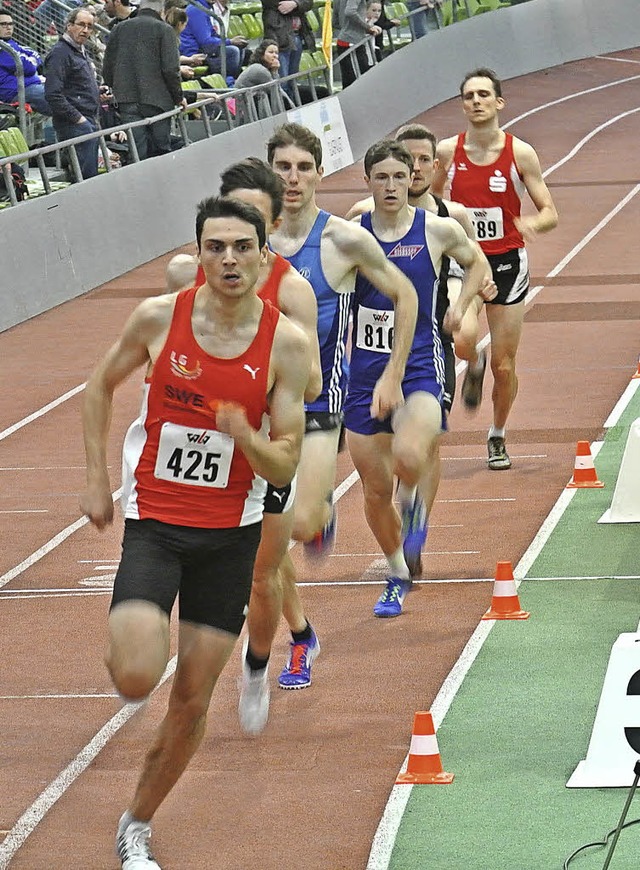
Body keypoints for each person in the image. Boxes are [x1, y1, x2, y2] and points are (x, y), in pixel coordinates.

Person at [80, 195, 310, 870]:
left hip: (229, 539)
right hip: (155, 526)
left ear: (265, 257)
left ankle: (136, 825)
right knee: (134, 676)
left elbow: (288, 458)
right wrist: (98, 479)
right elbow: (99, 387)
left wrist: (247, 437)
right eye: (217, 247)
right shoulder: (160, 318)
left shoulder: (285, 345)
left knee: (189, 702)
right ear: (199, 252)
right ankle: (133, 639)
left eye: (243, 247)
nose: (230, 259)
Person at [265, 122, 419, 687]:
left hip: (320, 405)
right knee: (267, 541)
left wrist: (395, 371)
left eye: (304, 167)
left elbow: (403, 293)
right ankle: (301, 637)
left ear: (319, 174)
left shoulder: (343, 241)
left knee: (301, 523)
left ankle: (320, 508)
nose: (293, 178)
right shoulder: (247, 242)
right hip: (258, 412)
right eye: (283, 167)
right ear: (269, 171)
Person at [345, 124, 495, 577]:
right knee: (373, 490)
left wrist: (462, 304)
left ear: (411, 176)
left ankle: (413, 506)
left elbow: (477, 262)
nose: (391, 186)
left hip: (420, 362)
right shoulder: (352, 233)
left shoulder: (437, 228)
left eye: (399, 176)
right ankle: (398, 567)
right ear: (367, 181)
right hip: (366, 368)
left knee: (411, 456)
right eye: (381, 177)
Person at [432, 67, 559, 469]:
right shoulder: (447, 153)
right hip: (465, 261)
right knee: (462, 338)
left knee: (505, 366)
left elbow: (549, 212)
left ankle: (498, 434)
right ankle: (473, 363)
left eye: (484, 95)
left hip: (507, 262)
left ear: (499, 102)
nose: (476, 102)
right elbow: (432, 206)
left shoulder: (519, 153)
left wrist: (529, 224)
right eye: (469, 96)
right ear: (463, 104)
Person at [103, 0, 185, 161]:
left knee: (137, 154)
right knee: (162, 151)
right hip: (159, 101)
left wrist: (116, 87)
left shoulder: (119, 29)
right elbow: (170, 70)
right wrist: (178, 97)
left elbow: (108, 67)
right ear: (162, 10)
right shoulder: (164, 30)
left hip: (127, 100)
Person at [44, 6, 101, 180]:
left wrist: (98, 92)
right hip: (75, 124)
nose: (85, 30)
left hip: (88, 119)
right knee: (85, 178)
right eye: (81, 25)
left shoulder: (81, 50)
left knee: (90, 176)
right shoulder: (60, 53)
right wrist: (79, 119)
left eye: (89, 26)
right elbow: (53, 94)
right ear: (69, 25)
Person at [0, 7, 52, 114]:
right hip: (16, 92)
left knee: (69, 92)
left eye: (10, 24)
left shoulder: (10, 43)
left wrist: (30, 62)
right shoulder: (2, 48)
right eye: (3, 24)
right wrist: (32, 63)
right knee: (59, 101)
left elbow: (34, 54)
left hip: (31, 86)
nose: (8, 27)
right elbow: (28, 68)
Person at [180, 0, 246, 82]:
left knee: (240, 47)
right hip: (195, 54)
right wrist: (230, 41)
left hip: (204, 49)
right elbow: (205, 42)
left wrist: (230, 40)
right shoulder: (196, 10)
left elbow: (213, 34)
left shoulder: (203, 8)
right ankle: (226, 83)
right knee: (232, 52)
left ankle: (234, 82)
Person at [233, 38, 289, 122]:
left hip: (252, 104)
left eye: (276, 53)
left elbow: (278, 90)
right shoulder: (259, 70)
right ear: (262, 54)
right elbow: (275, 91)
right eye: (271, 52)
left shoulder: (261, 68)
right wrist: (275, 71)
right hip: (244, 109)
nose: (275, 56)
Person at [261, 0, 314, 87]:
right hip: (278, 37)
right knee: (281, 82)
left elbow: (309, 3)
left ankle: (291, 100)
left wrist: (295, 4)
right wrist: (298, 6)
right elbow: (281, 6)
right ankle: (281, 101)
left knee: (293, 82)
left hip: (298, 35)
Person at [334, 0, 380, 88]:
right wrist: (367, 27)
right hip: (352, 42)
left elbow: (335, 21)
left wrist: (346, 28)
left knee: (349, 81)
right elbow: (350, 12)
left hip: (345, 40)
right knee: (358, 81)